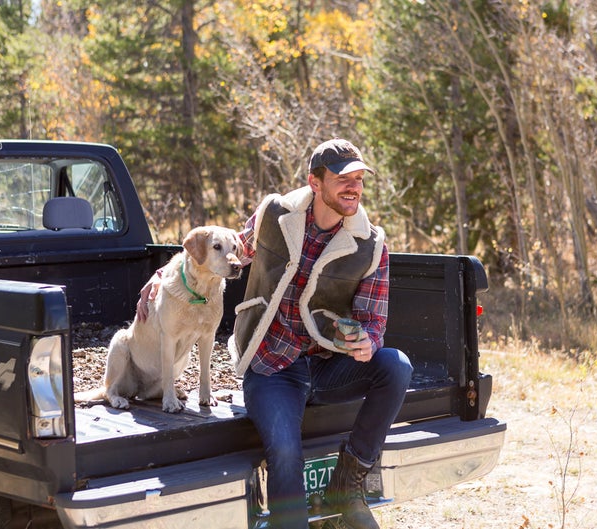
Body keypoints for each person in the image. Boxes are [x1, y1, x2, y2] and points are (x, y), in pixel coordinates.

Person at [137, 138, 413, 529]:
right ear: (315, 183)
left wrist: (367, 341)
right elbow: (229, 252)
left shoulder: (371, 245)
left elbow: (374, 321)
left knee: (396, 366)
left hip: (329, 365)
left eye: (359, 179)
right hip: (273, 367)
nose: (354, 187)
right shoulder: (274, 214)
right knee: (285, 452)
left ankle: (348, 484)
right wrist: (164, 274)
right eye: (342, 178)